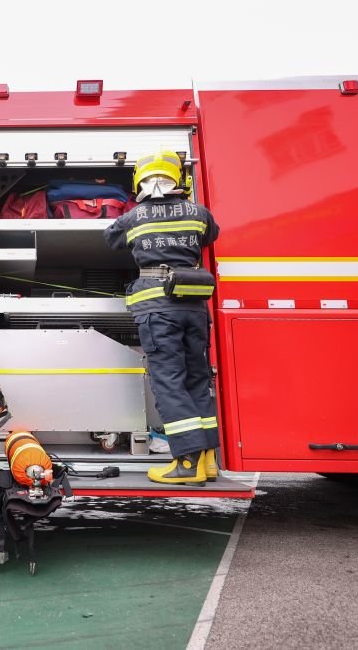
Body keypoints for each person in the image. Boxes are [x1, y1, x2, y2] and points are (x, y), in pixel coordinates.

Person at [103, 150, 221, 485]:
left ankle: (185, 463)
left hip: (158, 312)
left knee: (169, 382)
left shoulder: (136, 216)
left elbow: (110, 239)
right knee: (198, 379)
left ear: (140, 179)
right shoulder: (199, 213)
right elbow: (212, 234)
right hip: (194, 310)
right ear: (178, 178)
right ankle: (207, 460)